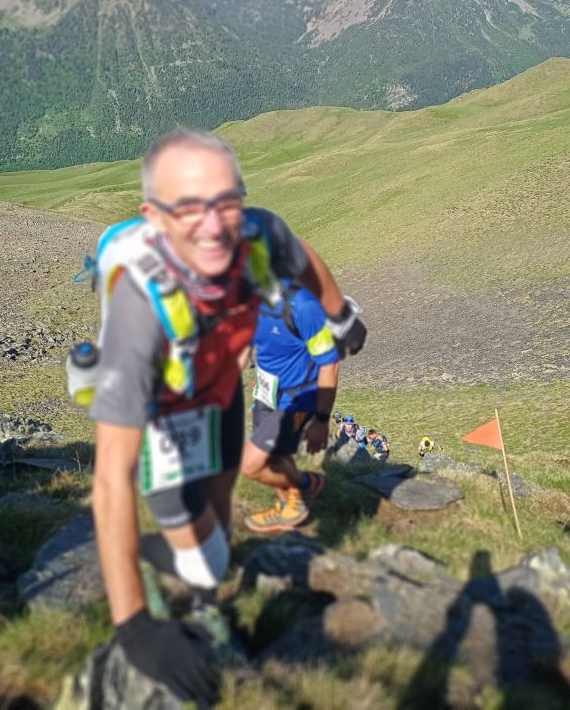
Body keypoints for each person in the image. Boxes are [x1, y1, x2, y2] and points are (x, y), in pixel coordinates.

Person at [89, 128, 366, 706]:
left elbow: (300, 254)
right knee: (184, 521)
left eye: (226, 201)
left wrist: (339, 314)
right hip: (167, 405)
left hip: (225, 389)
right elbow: (111, 475)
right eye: (189, 207)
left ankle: (204, 600)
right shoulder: (138, 312)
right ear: (154, 216)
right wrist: (133, 626)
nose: (214, 224)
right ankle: (170, 568)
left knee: (216, 512)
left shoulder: (258, 233)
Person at [240, 285, 340, 533]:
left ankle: (307, 484)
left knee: (249, 464)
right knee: (277, 458)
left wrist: (321, 420)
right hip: (265, 392)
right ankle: (288, 509)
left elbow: (330, 364)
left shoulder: (303, 306)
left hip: (295, 400)